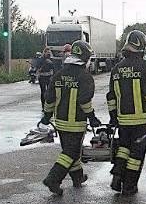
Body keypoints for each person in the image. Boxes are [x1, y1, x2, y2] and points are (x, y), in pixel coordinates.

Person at [39, 40, 101, 195]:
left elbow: (49, 98)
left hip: (60, 122)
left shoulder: (59, 75)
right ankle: (53, 179)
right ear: (85, 57)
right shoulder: (85, 77)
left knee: (70, 150)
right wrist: (92, 118)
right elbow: (84, 101)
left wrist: (46, 116)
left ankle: (78, 177)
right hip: (76, 123)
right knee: (71, 153)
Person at [107, 30, 146, 195]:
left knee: (124, 148)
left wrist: (113, 117)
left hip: (123, 120)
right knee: (136, 154)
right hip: (141, 120)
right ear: (141, 46)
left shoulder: (116, 69)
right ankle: (129, 185)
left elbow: (111, 96)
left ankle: (117, 178)